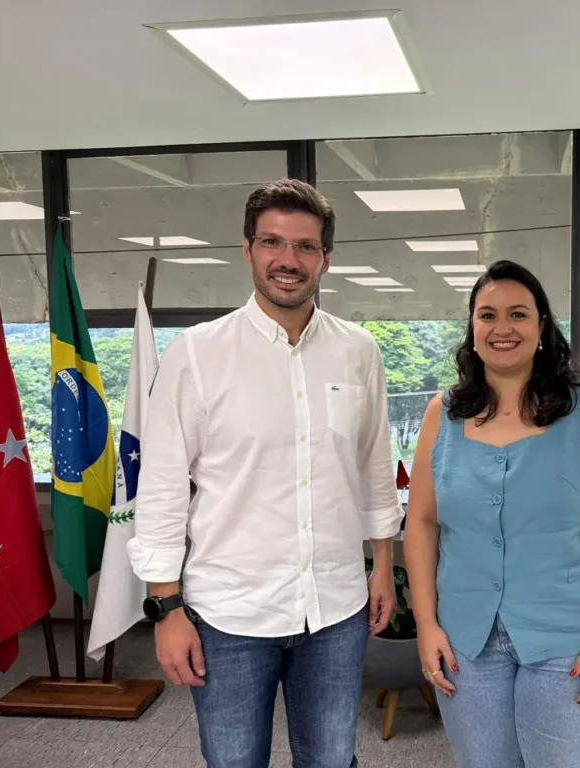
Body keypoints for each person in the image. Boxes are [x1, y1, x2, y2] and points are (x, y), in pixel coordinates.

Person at [127, 179, 402, 768]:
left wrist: (383, 565)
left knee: (331, 761)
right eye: (273, 243)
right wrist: (165, 609)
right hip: (229, 612)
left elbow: (373, 465)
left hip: (335, 607)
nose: (289, 260)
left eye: (306, 247)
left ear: (326, 258)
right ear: (248, 249)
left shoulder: (359, 350)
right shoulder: (198, 354)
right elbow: (163, 489)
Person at [403, 260, 580, 768]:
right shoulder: (442, 415)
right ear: (472, 328)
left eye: (518, 314)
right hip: (466, 643)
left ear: (541, 327)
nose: (502, 327)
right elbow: (421, 522)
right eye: (487, 315)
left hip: (569, 640)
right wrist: (427, 625)